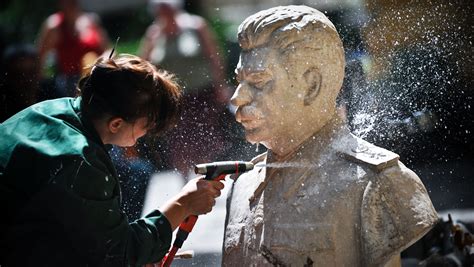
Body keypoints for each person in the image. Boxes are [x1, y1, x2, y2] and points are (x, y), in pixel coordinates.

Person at [222, 5, 438, 267]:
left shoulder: (378, 183)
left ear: (311, 85)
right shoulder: (242, 185)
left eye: (258, 82)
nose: (237, 98)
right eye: (239, 82)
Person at [0, 54, 224, 266]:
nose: (145, 134)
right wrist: (184, 203)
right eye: (145, 126)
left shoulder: (49, 109)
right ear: (116, 124)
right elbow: (118, 254)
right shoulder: (79, 161)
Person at [139, 0, 233, 175]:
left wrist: (221, 85)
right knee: (178, 141)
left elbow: (214, 57)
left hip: (202, 93)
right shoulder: (154, 34)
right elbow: (144, 65)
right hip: (174, 98)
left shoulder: (196, 26)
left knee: (204, 138)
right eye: (161, 10)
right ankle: (184, 181)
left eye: (167, 9)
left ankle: (207, 176)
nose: (165, 13)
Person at [37, 0, 109, 98]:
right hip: (69, 83)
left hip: (96, 77)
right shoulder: (54, 25)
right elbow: (39, 59)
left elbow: (108, 50)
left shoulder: (91, 21)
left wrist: (101, 62)